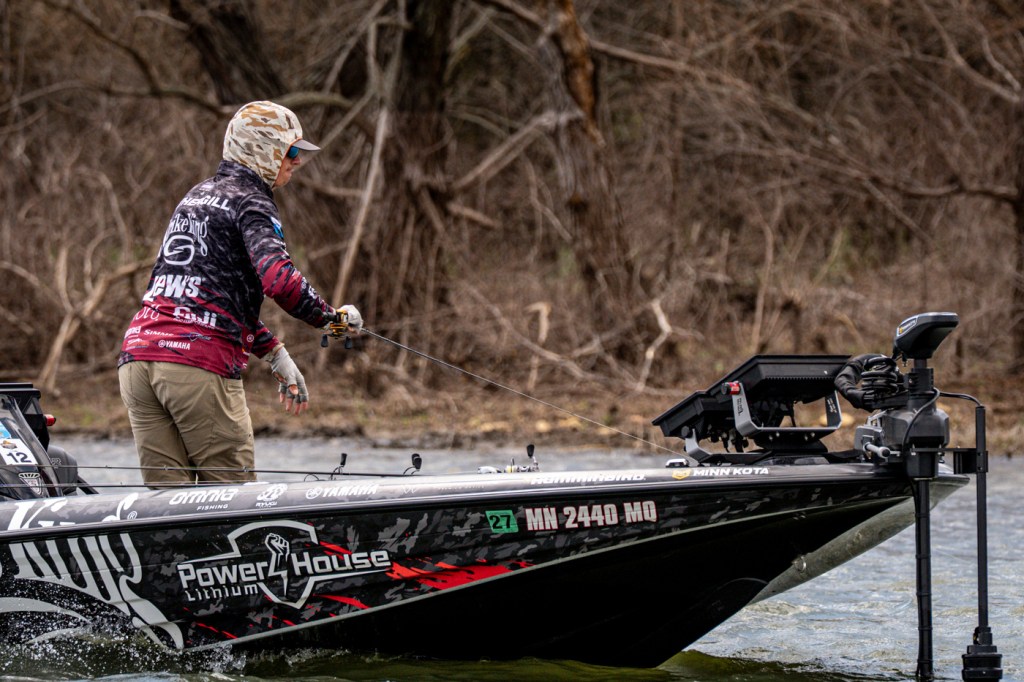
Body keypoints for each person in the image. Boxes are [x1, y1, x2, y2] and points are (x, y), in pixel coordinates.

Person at [118, 100, 361, 489]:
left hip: (138, 361)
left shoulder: (196, 196)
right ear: (263, 150)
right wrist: (333, 321)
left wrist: (275, 353)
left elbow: (202, 297)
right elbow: (280, 281)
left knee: (166, 507)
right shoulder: (252, 201)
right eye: (291, 151)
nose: (297, 161)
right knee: (232, 501)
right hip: (195, 366)